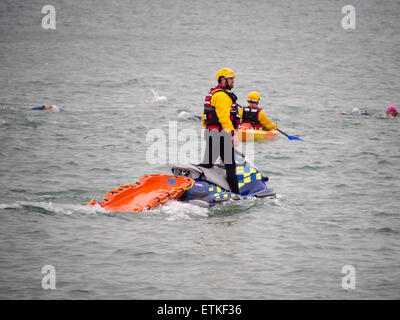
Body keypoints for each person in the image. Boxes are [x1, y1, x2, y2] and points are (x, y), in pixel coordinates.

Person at [200, 68, 241, 194]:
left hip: (212, 133)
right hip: (222, 134)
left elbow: (203, 117)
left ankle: (200, 189)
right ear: (223, 80)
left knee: (207, 163)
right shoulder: (222, 96)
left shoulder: (214, 94)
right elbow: (224, 118)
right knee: (230, 166)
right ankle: (236, 195)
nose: (233, 81)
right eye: (230, 78)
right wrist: (232, 135)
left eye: (233, 78)